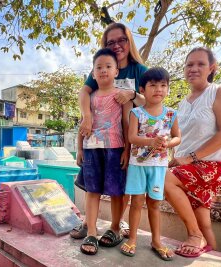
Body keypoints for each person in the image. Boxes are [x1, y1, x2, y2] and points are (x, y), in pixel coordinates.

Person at [71, 22, 148, 241]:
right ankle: (89, 225)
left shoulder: (139, 70)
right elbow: (84, 93)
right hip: (94, 140)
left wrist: (132, 95)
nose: (116, 45)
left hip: (128, 137)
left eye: (121, 40)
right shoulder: (99, 69)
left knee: (119, 186)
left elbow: (150, 99)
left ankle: (115, 226)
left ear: (129, 41)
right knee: (92, 186)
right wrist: (86, 117)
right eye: (110, 41)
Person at [164, 47, 221, 258]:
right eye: (189, 64)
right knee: (203, 218)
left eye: (200, 64)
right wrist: (174, 159)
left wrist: (189, 158)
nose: (193, 69)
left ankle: (194, 235)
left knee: (163, 180)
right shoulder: (183, 103)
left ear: (211, 68)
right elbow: (184, 138)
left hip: (218, 163)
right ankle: (211, 252)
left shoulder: (220, 91)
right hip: (192, 165)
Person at [119, 67, 180, 261]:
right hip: (138, 165)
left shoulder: (171, 114)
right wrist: (150, 142)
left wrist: (168, 143)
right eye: (153, 85)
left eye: (163, 85)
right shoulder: (137, 113)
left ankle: (156, 241)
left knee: (155, 204)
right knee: (136, 203)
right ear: (143, 90)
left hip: (158, 166)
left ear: (168, 89)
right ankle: (133, 239)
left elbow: (178, 137)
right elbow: (131, 137)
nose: (158, 89)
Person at [76, 48, 132, 255]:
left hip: (115, 149)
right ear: (93, 73)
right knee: (92, 191)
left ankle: (115, 228)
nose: (103, 70)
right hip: (92, 150)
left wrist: (127, 149)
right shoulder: (89, 98)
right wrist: (79, 149)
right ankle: (91, 231)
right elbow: (83, 124)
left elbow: (127, 124)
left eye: (108, 66)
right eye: (98, 67)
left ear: (116, 71)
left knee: (117, 192)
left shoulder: (121, 96)